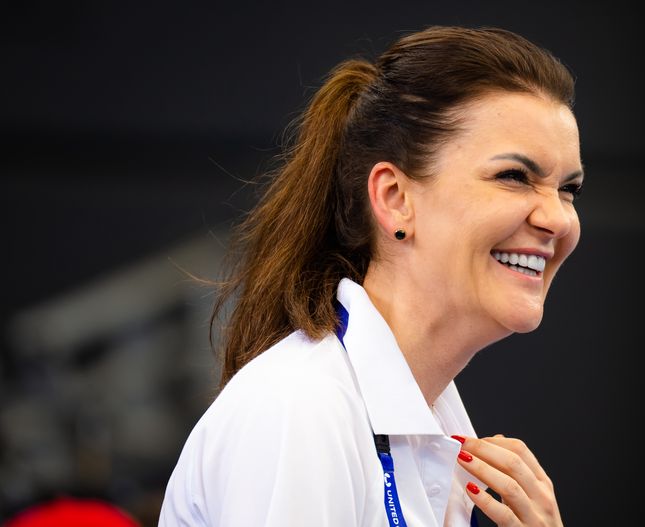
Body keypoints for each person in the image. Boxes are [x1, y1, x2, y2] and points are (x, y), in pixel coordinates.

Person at [158, 25, 583, 527]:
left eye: (568, 189)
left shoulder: (428, 424)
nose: (558, 219)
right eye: (514, 177)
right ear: (394, 198)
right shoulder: (304, 407)